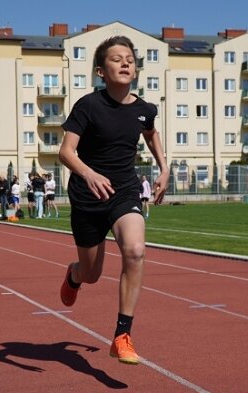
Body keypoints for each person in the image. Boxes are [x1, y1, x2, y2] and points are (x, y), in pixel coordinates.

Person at [57, 36, 169, 365]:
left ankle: (122, 335)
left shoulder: (144, 109)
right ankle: (74, 275)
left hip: (124, 191)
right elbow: (65, 151)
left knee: (135, 250)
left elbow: (150, 132)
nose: (125, 63)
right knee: (92, 274)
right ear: (100, 71)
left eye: (130, 59)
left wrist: (164, 168)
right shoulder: (88, 106)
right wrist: (89, 174)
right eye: (117, 59)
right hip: (87, 196)